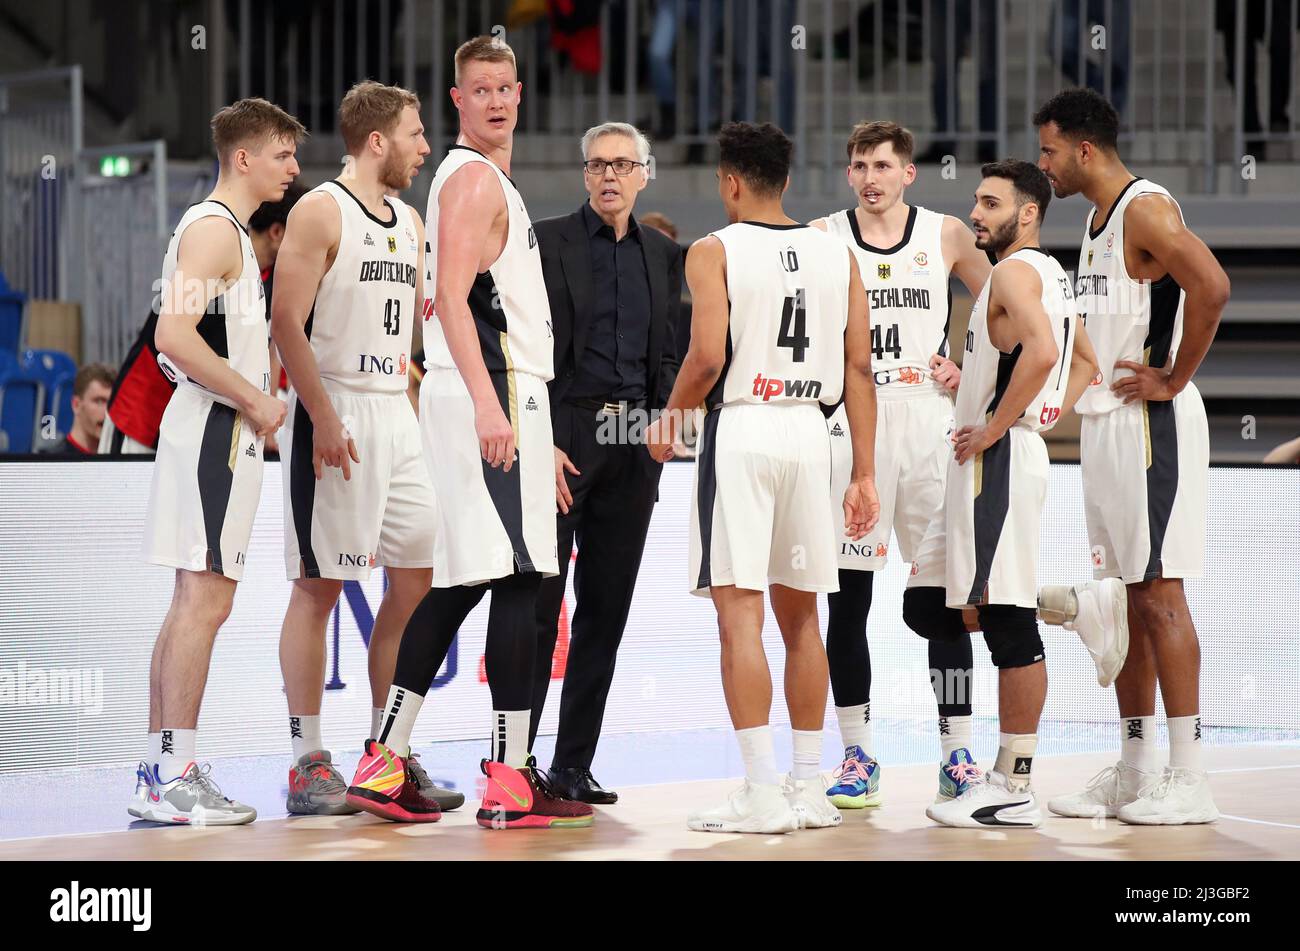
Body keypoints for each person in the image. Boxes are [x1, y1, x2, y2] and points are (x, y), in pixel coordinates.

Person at [347, 35, 594, 830]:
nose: (493, 100)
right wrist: (495, 408)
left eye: (503, 88)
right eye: (477, 89)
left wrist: (524, 418)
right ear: (456, 100)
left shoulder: (478, 180)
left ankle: (390, 759)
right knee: (520, 582)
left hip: (500, 394)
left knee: (463, 582)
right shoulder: (475, 180)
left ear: (520, 95)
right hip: (489, 395)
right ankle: (508, 775)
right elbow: (454, 301)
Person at [647, 121, 880, 834]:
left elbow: (708, 356)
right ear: (784, 179)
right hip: (813, 433)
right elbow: (860, 368)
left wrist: (672, 418)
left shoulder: (713, 250)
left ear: (730, 182)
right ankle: (810, 787)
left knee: (739, 615)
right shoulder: (838, 253)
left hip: (744, 426)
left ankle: (760, 791)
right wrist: (864, 472)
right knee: (804, 617)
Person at [1035, 87, 1230, 825]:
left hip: (1153, 423)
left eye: (1050, 149)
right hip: (1108, 428)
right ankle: (1137, 765)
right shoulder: (1093, 220)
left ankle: (1190, 774)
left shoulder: (1145, 207)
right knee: (1125, 597)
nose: (1043, 163)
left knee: (1159, 594)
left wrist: (1174, 376)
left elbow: (1212, 286)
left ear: (1084, 149)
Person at [270, 81, 461, 820]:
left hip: (394, 411)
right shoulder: (319, 209)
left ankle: (386, 752)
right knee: (318, 588)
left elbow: (409, 330)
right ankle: (306, 762)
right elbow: (286, 319)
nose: (423, 147)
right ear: (376, 141)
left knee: (417, 579)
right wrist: (318, 413)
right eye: (415, 134)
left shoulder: (411, 220)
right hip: (335, 403)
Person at [904, 160, 1099, 829]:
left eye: (989, 203)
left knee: (1007, 620)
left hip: (995, 462)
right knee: (926, 606)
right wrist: (1020, 405)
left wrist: (998, 423)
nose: (976, 214)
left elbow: (1046, 354)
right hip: (995, 456)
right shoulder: (1049, 275)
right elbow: (1085, 363)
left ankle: (1013, 783)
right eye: (975, 202)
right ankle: (1075, 603)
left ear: (1029, 212)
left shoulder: (1016, 272)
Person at [808, 120, 990, 809]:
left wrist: (970, 368)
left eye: (883, 164)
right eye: (859, 164)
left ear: (909, 172)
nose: (870, 176)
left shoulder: (944, 234)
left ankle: (958, 752)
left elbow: (1008, 301)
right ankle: (857, 752)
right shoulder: (824, 238)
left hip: (926, 423)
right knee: (847, 598)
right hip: (857, 421)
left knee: (946, 600)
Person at [130, 97, 302, 824]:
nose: (294, 167)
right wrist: (256, 401)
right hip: (215, 434)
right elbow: (172, 335)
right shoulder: (215, 230)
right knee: (205, 602)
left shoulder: (223, 230)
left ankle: (160, 770)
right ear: (243, 157)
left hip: (213, 432)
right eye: (283, 154)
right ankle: (174, 774)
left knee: (192, 603)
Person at [527, 122, 682, 804]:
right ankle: (515, 763)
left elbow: (670, 349)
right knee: (537, 607)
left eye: (622, 164)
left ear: (643, 173)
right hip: (563, 436)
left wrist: (665, 424)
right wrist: (539, 436)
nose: (610, 176)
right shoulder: (547, 238)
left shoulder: (663, 252)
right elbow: (523, 344)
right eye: (597, 165)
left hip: (634, 446)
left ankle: (571, 766)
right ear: (585, 174)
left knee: (605, 613)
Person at [100, 184, 307, 456]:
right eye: (303, 236)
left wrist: (266, 410)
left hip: (205, 418)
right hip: (145, 409)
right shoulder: (215, 245)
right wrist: (254, 400)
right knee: (131, 498)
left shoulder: (269, 277)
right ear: (277, 233)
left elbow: (272, 348)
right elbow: (173, 339)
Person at [44, 364, 113, 454]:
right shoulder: (52, 462)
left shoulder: (121, 461)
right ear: (76, 405)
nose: (107, 412)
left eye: (111, 403)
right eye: (99, 401)